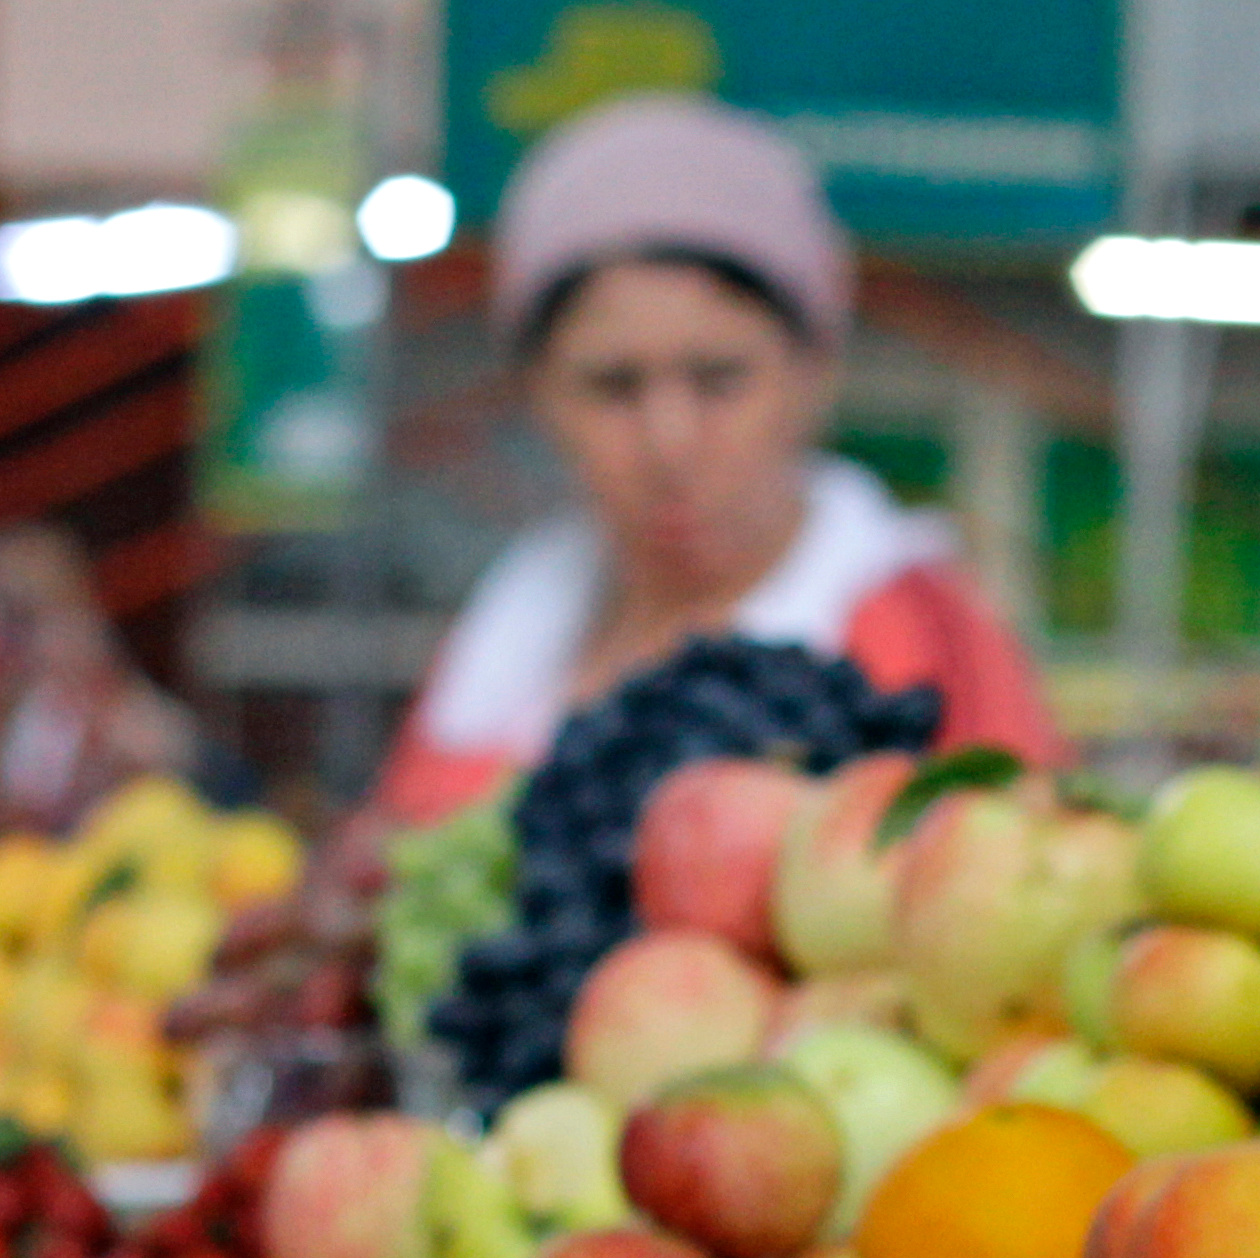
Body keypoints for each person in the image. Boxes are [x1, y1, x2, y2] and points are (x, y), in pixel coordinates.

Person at [381, 94, 1058, 822]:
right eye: (613, 386)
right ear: (537, 394)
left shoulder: (926, 647)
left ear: (815, 371)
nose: (669, 442)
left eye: (720, 379)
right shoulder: (513, 624)